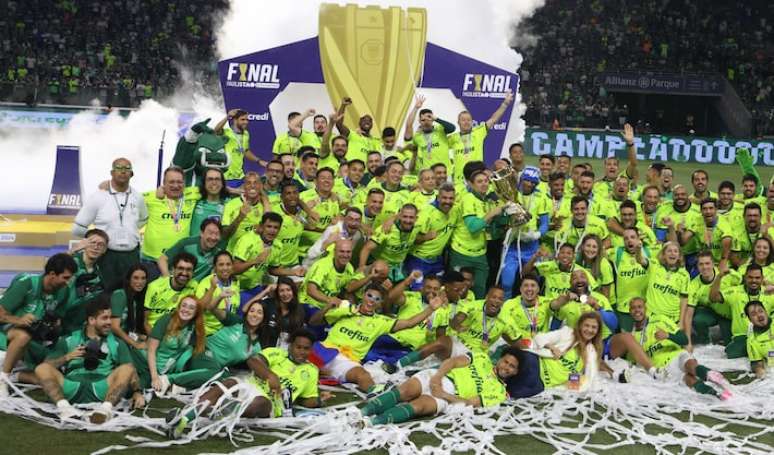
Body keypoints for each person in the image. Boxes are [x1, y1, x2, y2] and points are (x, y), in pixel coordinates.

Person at [167, 329, 326, 438]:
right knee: (227, 383)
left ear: (310, 350)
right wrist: (270, 375)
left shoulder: (311, 371)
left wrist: (319, 400)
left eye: (306, 349)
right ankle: (184, 418)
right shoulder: (277, 353)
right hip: (251, 385)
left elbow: (307, 399)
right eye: (298, 347)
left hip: (271, 402)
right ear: (290, 345)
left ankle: (219, 411)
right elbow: (253, 361)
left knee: (261, 403)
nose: (302, 352)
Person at [308, 285, 444, 393]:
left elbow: (408, 323)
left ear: (380, 304)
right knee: (300, 360)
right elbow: (313, 322)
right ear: (363, 295)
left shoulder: (381, 321)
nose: (372, 301)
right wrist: (326, 308)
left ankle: (377, 398)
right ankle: (318, 374)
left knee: (364, 376)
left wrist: (430, 309)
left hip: (348, 360)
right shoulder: (345, 309)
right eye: (369, 296)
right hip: (324, 350)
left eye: (377, 299)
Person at [34, 296, 143, 422]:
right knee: (42, 368)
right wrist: (67, 357)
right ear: (91, 320)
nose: (109, 322)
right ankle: (65, 409)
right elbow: (47, 365)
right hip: (72, 386)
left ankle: (104, 411)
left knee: (127, 368)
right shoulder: (69, 339)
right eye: (104, 318)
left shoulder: (117, 343)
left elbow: (131, 371)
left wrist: (137, 392)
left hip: (101, 386)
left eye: (110, 318)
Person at [359, 347, 521, 425]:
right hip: (440, 376)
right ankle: (361, 412)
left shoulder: (499, 391)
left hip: (450, 395)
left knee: (419, 407)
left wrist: (444, 394)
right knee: (405, 391)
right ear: (500, 359)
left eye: (512, 367)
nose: (506, 367)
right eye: (506, 362)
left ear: (515, 373)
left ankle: (371, 423)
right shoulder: (482, 357)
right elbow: (452, 362)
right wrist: (437, 377)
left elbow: (470, 403)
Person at [0, 253, 77, 398]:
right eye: (65, 277)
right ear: (52, 274)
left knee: (47, 374)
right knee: (23, 336)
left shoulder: (64, 292)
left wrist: (53, 328)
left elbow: (57, 318)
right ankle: (3, 380)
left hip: (35, 337)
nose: (68, 282)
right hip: (6, 332)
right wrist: (19, 320)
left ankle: (16, 376)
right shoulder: (27, 283)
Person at [627, 298, 732, 400]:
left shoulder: (660, 319)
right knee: (689, 379)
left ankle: (716, 379)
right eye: (633, 308)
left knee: (690, 364)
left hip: (676, 355)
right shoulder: (631, 337)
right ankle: (717, 395)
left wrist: (668, 335)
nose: (637, 310)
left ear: (645, 308)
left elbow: (684, 339)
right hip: (663, 367)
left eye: (640, 307)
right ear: (630, 312)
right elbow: (635, 362)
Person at [72, 158, 147, 289]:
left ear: (132, 174)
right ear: (112, 173)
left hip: (132, 255)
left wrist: (129, 232)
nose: (123, 172)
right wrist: (97, 240)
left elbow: (143, 219)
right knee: (105, 296)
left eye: (127, 169)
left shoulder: (138, 197)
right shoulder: (98, 197)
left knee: (131, 296)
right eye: (119, 168)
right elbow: (78, 228)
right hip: (106, 256)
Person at [503, 312, 605, 398]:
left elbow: (589, 377)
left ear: (598, 331)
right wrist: (552, 347)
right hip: (536, 363)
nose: (589, 330)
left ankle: (499, 388)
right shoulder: (568, 333)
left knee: (521, 392)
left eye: (594, 327)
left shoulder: (591, 352)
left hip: (541, 382)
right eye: (586, 325)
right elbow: (539, 338)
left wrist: (569, 386)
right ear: (580, 325)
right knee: (519, 366)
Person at [449, 168, 506, 298]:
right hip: (461, 252)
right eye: (479, 181)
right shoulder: (468, 199)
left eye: (486, 181)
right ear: (471, 184)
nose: (484, 184)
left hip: (480, 254)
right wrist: (492, 213)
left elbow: (494, 227)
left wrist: (507, 212)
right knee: (457, 292)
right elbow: (473, 227)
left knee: (480, 292)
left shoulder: (488, 201)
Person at [141, 167, 201, 280]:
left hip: (179, 263)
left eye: (179, 182)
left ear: (184, 183)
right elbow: (127, 195)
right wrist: (106, 185)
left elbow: (216, 187)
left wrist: (237, 190)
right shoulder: (151, 197)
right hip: (151, 260)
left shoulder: (192, 194)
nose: (176, 185)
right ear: (163, 183)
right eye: (171, 182)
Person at [500, 166, 551, 298]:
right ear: (521, 180)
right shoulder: (510, 193)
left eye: (533, 182)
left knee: (534, 281)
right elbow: (501, 219)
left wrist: (536, 235)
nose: (529, 184)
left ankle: (533, 310)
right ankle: (506, 309)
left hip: (531, 247)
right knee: (507, 281)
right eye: (527, 181)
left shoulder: (541, 197)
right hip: (512, 245)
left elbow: (545, 223)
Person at [143, 296, 207, 393]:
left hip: (171, 368)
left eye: (191, 308)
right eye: (184, 306)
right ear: (179, 307)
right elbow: (151, 350)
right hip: (152, 366)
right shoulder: (166, 320)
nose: (186, 310)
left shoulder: (194, 326)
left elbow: (194, 350)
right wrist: (155, 377)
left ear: (196, 312)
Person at [447, 91, 514, 184]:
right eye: (463, 120)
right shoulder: (452, 138)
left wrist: (505, 104)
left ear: (472, 122)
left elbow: (494, 119)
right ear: (458, 122)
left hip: (477, 180)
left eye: (468, 120)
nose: (466, 122)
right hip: (459, 182)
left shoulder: (479, 132)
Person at [710, 263, 774, 358]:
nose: (754, 281)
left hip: (763, 336)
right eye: (750, 277)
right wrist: (719, 277)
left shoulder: (769, 293)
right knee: (731, 353)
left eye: (757, 278)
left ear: (762, 278)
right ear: (745, 278)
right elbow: (713, 297)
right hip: (742, 337)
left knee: (769, 354)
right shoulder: (734, 292)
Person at [404, 183, 458, 289]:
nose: (447, 201)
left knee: (437, 291)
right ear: (438, 198)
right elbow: (411, 238)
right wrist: (425, 237)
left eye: (451, 198)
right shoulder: (426, 213)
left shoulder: (455, 211)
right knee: (417, 292)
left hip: (437, 261)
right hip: (418, 260)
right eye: (444, 198)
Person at [643, 241, 692, 347]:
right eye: (669, 251)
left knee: (670, 348)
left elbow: (684, 300)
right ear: (663, 255)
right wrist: (638, 250)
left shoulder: (684, 275)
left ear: (679, 256)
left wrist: (681, 321)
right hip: (651, 317)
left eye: (675, 251)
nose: (672, 253)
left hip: (671, 319)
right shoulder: (654, 267)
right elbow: (641, 260)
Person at [60, 229, 109, 334]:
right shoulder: (71, 261)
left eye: (100, 245)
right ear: (84, 243)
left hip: (82, 325)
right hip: (61, 319)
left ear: (104, 250)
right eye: (92, 243)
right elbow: (53, 267)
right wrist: (74, 249)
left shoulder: (100, 272)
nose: (96, 247)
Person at [450, 286, 521, 354]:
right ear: (487, 297)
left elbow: (518, 342)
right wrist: (457, 327)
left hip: (480, 354)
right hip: (459, 343)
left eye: (500, 299)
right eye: (494, 297)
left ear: (503, 302)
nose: (497, 301)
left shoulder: (506, 319)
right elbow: (456, 320)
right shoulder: (473, 306)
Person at [359, 203, 419, 282]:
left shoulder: (418, 227)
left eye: (411, 217)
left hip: (398, 266)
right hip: (380, 264)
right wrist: (361, 269)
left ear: (416, 218)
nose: (408, 220)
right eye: (405, 217)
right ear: (400, 216)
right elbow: (367, 248)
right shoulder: (387, 229)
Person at [549, 270, 617, 339]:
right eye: (575, 278)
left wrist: (597, 307)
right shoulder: (565, 301)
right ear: (570, 283)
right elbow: (553, 329)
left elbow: (614, 325)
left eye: (582, 277)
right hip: (576, 342)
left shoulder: (600, 298)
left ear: (588, 281)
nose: (579, 280)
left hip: (600, 342)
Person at [299, 239, 356, 322]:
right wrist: (329, 300)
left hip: (330, 307)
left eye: (348, 252)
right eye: (342, 251)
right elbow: (311, 290)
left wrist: (352, 307)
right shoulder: (323, 266)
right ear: (334, 252)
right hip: (308, 303)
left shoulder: (350, 269)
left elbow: (346, 292)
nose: (345, 255)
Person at [608, 227, 652, 332]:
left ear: (639, 238)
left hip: (645, 308)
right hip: (624, 308)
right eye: (626, 238)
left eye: (633, 237)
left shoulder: (649, 251)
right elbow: (598, 252)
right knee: (627, 340)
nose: (629, 240)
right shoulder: (617, 253)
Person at [158, 219, 225, 282]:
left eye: (217, 234)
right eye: (210, 233)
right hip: (175, 283)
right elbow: (162, 259)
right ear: (201, 233)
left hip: (194, 289)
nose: (213, 237)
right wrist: (168, 280)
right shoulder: (187, 243)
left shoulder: (219, 251)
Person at [144, 252, 198, 329]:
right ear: (172, 270)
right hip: (153, 329)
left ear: (193, 273)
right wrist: (153, 338)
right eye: (180, 268)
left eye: (188, 270)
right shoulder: (155, 287)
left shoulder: (194, 286)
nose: (184, 273)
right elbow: (144, 321)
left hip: (176, 331)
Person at [248, 278, 305, 349]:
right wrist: (266, 291)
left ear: (293, 291)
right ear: (277, 293)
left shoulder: (299, 310)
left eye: (288, 290)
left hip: (283, 352)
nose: (285, 294)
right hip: (262, 348)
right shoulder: (269, 304)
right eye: (281, 291)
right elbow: (246, 308)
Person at [689, 252, 733, 346]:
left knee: (729, 343)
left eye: (707, 263)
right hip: (710, 312)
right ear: (697, 266)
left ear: (713, 264)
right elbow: (689, 310)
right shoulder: (693, 284)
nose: (704, 267)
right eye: (701, 264)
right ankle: (704, 342)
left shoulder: (727, 275)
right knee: (698, 319)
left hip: (727, 313)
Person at [404, 95, 456, 172]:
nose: (426, 122)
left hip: (445, 173)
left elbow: (452, 128)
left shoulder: (440, 130)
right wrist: (416, 108)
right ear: (419, 121)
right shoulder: (417, 136)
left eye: (429, 119)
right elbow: (408, 126)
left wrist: (436, 119)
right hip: (429, 175)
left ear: (432, 120)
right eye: (423, 120)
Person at [221, 172, 272, 250]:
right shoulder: (231, 205)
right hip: (234, 255)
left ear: (260, 186)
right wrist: (240, 217)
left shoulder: (265, 204)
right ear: (244, 186)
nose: (252, 186)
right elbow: (224, 235)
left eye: (256, 183)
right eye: (249, 183)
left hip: (258, 255)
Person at [214, 109, 263, 187]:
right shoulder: (226, 132)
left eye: (247, 119)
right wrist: (227, 117)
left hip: (240, 176)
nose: (246, 122)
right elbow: (216, 131)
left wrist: (259, 161)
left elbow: (245, 151)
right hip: (226, 176)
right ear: (235, 120)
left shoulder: (246, 134)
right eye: (242, 119)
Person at [195, 252, 241, 336]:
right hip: (210, 333)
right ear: (215, 267)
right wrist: (212, 288)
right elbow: (199, 309)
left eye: (228, 264)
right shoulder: (206, 283)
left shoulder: (235, 282)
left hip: (229, 331)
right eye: (221, 265)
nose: (225, 268)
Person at [501, 275, 552, 346]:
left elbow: (557, 304)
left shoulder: (546, 302)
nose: (529, 289)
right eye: (526, 285)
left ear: (538, 289)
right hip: (518, 345)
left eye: (533, 285)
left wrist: (567, 298)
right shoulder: (509, 304)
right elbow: (505, 330)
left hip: (542, 345)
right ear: (520, 289)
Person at [110, 264, 150, 351]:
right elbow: (114, 327)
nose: (140, 282)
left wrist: (142, 337)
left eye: (143, 278)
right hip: (113, 339)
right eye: (136, 278)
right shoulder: (120, 295)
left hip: (127, 337)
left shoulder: (137, 299)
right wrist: (136, 344)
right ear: (129, 279)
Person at [335, 98, 382, 164]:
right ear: (359, 123)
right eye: (364, 120)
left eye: (369, 121)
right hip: (351, 170)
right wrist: (343, 105)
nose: (367, 122)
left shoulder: (376, 141)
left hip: (368, 173)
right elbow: (339, 124)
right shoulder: (352, 135)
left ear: (372, 125)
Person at [190, 168, 230, 235]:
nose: (214, 183)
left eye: (217, 179)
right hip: (194, 245)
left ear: (222, 183)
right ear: (204, 183)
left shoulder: (230, 204)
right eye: (210, 179)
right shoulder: (194, 201)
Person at [575, 234, 614, 300]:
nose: (590, 249)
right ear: (582, 246)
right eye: (588, 246)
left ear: (599, 249)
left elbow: (606, 295)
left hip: (605, 301)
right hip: (587, 299)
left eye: (594, 247)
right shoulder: (577, 260)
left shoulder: (603, 264)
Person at [744, 300, 774, 378]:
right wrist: (759, 370)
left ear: (766, 312)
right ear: (749, 319)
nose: (759, 315)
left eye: (761, 311)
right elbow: (756, 363)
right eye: (754, 314)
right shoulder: (751, 341)